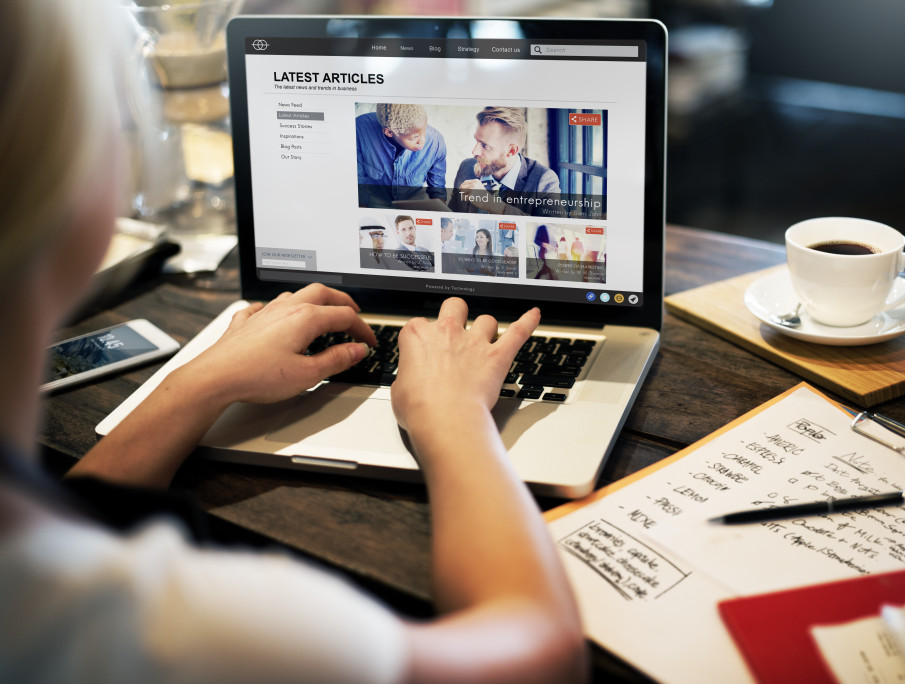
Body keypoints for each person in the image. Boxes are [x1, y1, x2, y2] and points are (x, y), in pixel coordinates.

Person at [0, 1, 585, 682]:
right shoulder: (186, 625)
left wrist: (198, 381)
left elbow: (76, 519)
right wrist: (453, 417)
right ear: (73, 181)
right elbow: (541, 655)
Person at [448, 107, 562, 218]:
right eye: (476, 141)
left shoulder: (544, 179)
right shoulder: (466, 167)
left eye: (484, 145)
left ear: (511, 151)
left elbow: (554, 227)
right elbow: (453, 216)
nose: (474, 151)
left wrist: (492, 205)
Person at [356, 103, 447, 209]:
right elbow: (359, 182)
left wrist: (441, 219)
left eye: (425, 132)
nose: (423, 141)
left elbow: (437, 190)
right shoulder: (360, 129)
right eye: (415, 137)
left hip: (414, 200)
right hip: (375, 198)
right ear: (389, 132)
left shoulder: (436, 141)